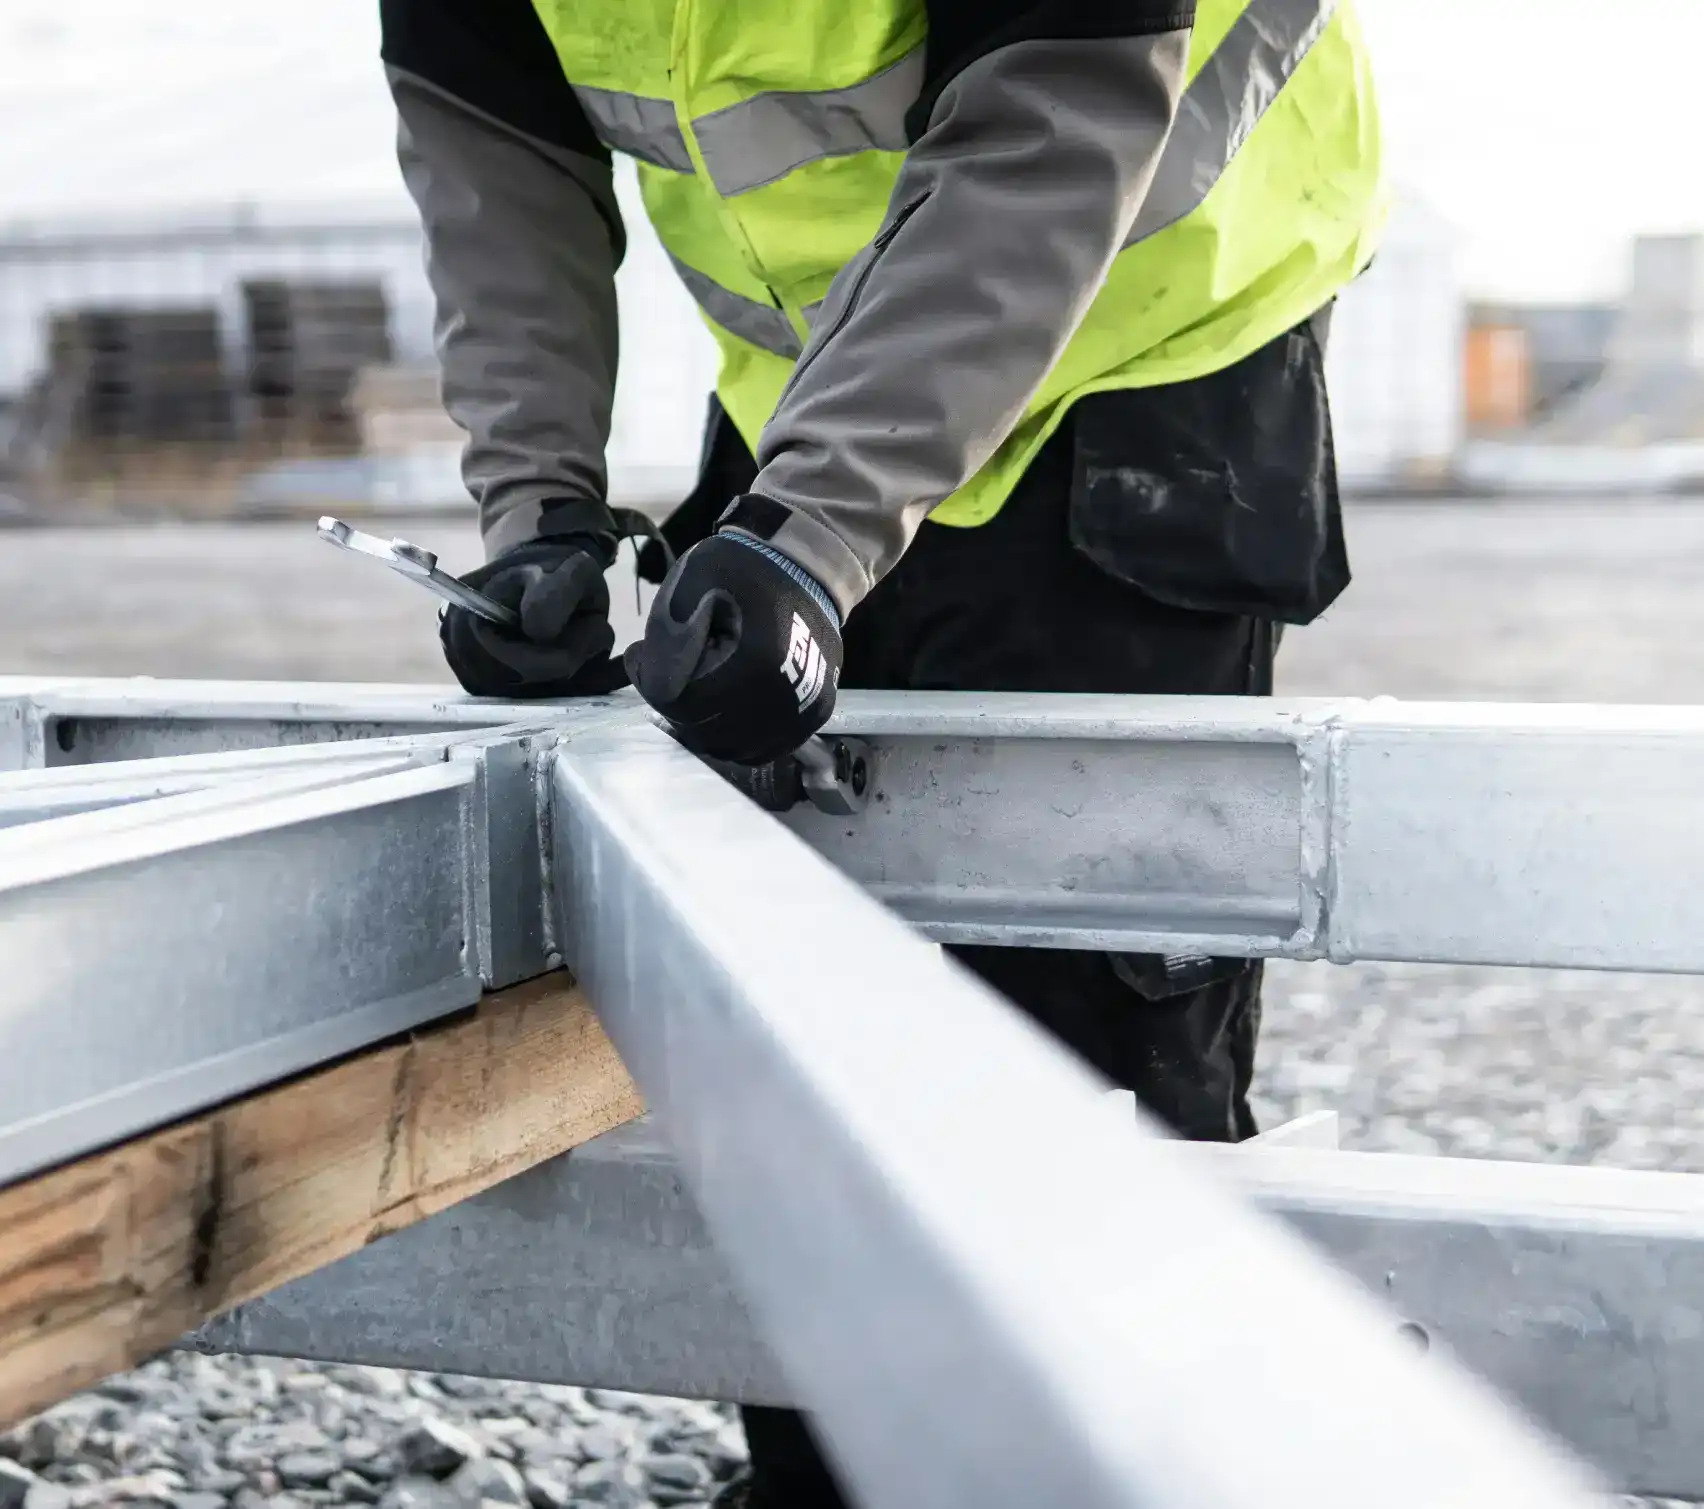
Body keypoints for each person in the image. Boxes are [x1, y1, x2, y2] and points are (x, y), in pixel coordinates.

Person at [381, 0, 1384, 1500]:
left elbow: (1056, 113)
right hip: (819, 363)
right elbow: (499, 165)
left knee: (1081, 1011)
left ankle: (1109, 1467)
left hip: (1142, 323)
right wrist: (544, 516)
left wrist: (815, 534)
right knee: (783, 986)